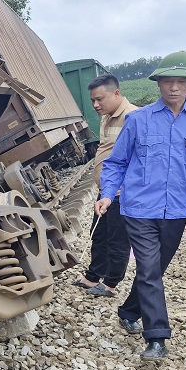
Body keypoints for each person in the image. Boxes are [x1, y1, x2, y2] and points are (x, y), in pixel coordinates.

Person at [94, 50, 186, 361]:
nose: (174, 87)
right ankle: (157, 337)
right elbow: (115, 163)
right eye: (168, 81)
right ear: (158, 83)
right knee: (148, 268)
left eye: (182, 81)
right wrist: (108, 194)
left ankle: (128, 309)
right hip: (138, 208)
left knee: (155, 270)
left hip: (176, 210)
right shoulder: (138, 120)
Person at [74, 74, 138, 297]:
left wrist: (120, 189)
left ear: (117, 93)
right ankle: (93, 277)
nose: (95, 105)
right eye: (93, 100)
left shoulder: (134, 117)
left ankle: (110, 284)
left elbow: (137, 160)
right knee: (99, 234)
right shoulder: (107, 117)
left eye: (100, 99)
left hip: (122, 193)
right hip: (106, 192)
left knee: (117, 240)